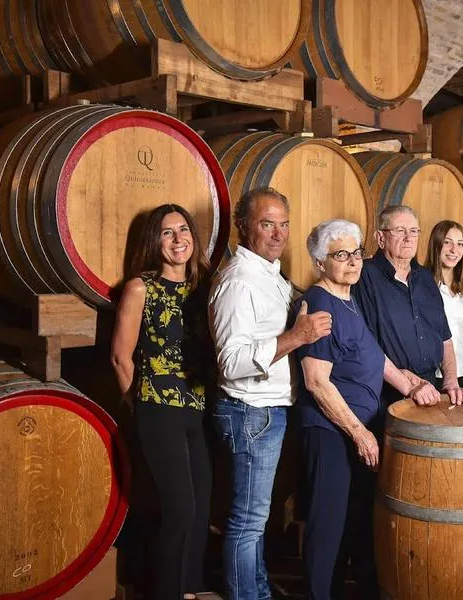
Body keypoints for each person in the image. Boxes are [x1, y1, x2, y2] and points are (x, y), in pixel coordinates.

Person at [295, 219, 439, 600]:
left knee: (352, 522)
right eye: (340, 254)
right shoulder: (321, 304)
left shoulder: (349, 299)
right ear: (320, 261)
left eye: (356, 253)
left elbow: (376, 357)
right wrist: (359, 432)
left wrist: (412, 385)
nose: (352, 261)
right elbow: (316, 381)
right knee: (327, 525)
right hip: (330, 431)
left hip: (357, 427)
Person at [208, 187, 333, 600]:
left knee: (257, 518)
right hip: (250, 411)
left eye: (284, 224)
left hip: (268, 411)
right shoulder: (238, 282)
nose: (278, 234)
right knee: (247, 520)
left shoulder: (269, 274)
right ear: (244, 227)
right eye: (267, 224)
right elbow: (232, 361)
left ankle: (257, 590)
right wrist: (296, 337)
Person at [110, 204, 214, 600]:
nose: (178, 240)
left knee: (201, 508)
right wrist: (140, 404)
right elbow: (121, 356)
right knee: (179, 510)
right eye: (168, 233)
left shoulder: (203, 285)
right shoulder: (142, 287)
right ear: (155, 240)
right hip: (158, 407)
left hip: (197, 407)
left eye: (183, 230)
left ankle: (190, 590)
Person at [351, 205, 463, 407]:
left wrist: (450, 381)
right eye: (399, 231)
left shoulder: (425, 278)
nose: (408, 238)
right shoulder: (365, 276)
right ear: (380, 238)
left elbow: (445, 338)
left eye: (413, 231)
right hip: (386, 390)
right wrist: (407, 385)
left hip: (430, 389)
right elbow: (366, 345)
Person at [425, 220, 463, 392]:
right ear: (436, 244)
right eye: (447, 243)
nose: (454, 250)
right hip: (433, 376)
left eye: (460, 244)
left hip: (462, 373)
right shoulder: (423, 284)